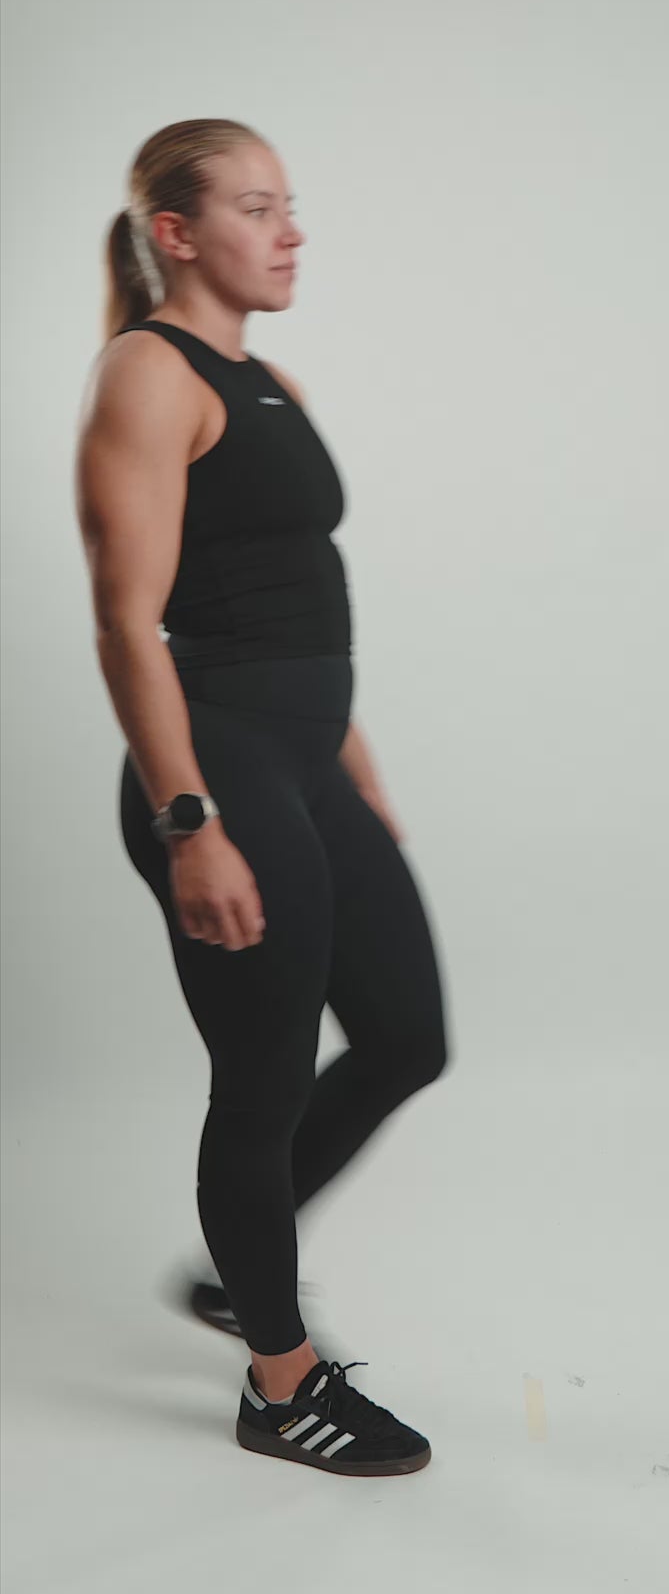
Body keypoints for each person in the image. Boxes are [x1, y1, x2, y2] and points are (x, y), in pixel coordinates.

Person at [74, 118, 450, 1477]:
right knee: (265, 1078)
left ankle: (243, 1264)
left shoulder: (267, 376)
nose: (290, 231)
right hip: (216, 769)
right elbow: (129, 621)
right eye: (255, 207)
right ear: (176, 234)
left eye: (290, 205)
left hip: (308, 762)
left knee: (406, 1037)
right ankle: (281, 1385)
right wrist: (190, 823)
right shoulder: (147, 373)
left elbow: (290, 591)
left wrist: (356, 767)